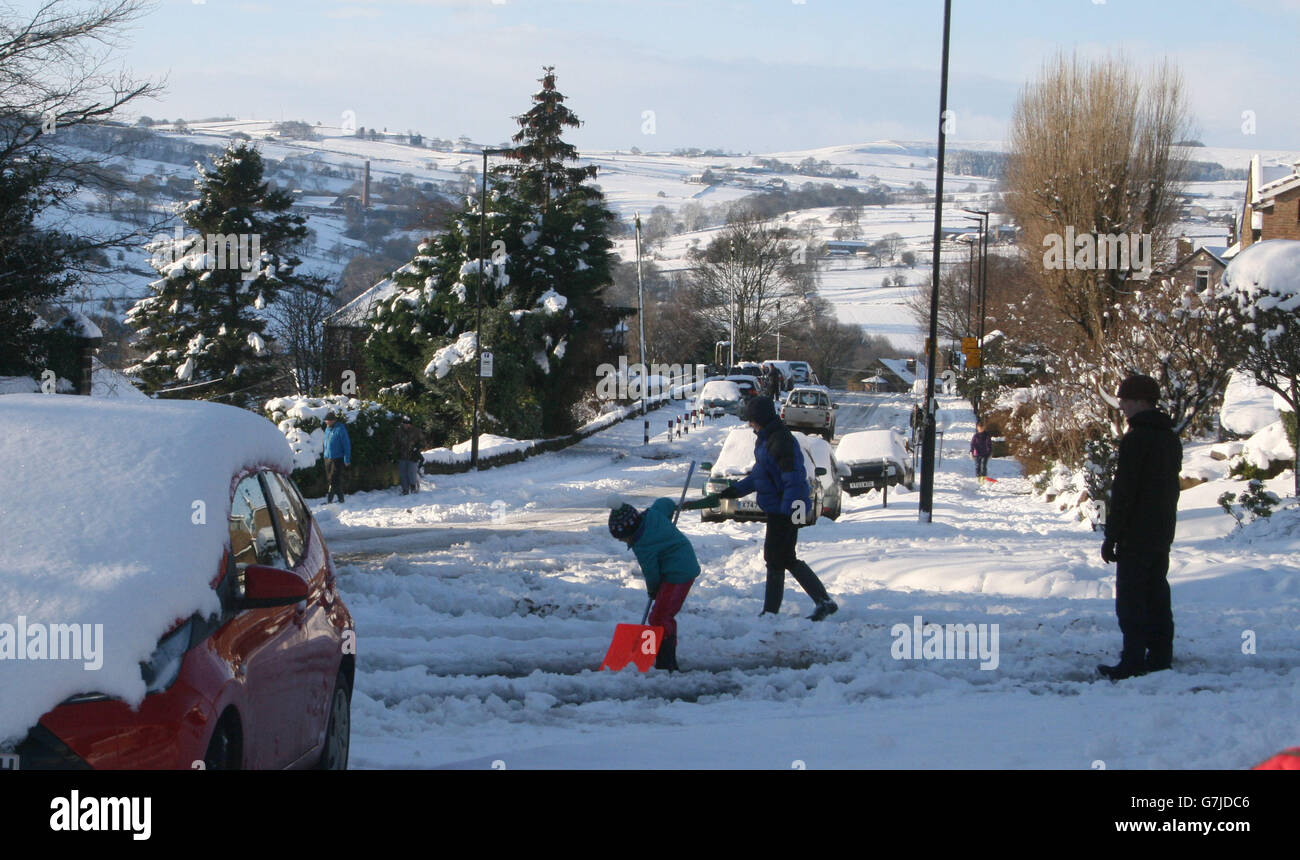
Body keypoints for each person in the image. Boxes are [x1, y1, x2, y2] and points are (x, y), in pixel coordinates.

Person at [690, 395, 837, 620]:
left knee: (777, 557)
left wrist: (789, 513)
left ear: (761, 418)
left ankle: (773, 611)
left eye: (751, 420)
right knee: (784, 558)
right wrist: (735, 491)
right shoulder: (767, 438)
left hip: (786, 508)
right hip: (781, 508)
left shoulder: (780, 441)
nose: (750, 424)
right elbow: (761, 474)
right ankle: (819, 602)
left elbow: (794, 479)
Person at [1098, 374, 1182, 681]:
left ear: (1139, 402)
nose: (1121, 406)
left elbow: (1125, 491)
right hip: (1161, 529)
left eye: (1125, 401)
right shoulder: (1169, 438)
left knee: (1132, 599)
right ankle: (1160, 655)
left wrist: (1112, 535)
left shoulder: (1136, 439)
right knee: (1157, 594)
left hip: (1136, 531)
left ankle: (1132, 659)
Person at [608, 498, 701, 671]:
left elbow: (650, 571)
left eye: (623, 538)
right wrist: (671, 507)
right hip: (679, 564)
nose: (623, 542)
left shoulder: (642, 544)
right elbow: (664, 502)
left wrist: (653, 590)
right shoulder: (652, 515)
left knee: (660, 617)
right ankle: (661, 656)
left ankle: (666, 661)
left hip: (678, 573)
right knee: (661, 615)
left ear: (630, 531)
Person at [322, 411, 352, 504]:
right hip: (327, 458)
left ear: (333, 420)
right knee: (332, 479)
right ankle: (341, 499)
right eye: (326, 421)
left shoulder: (340, 429)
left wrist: (347, 458)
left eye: (328, 421)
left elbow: (346, 444)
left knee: (333, 478)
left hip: (337, 458)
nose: (327, 422)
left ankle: (329, 500)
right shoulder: (327, 429)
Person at [392, 416, 423, 495]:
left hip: (413, 456)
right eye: (405, 423)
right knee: (403, 474)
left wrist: (417, 448)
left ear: (411, 424)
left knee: (411, 473)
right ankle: (405, 489)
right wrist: (392, 452)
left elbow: (422, 442)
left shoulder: (416, 431)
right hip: (402, 455)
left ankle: (413, 487)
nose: (406, 425)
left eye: (408, 423)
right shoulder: (398, 431)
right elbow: (394, 442)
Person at [970, 420, 993, 485]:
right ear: (977, 428)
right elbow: (972, 444)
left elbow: (989, 444)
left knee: (983, 465)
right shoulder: (976, 436)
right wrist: (971, 452)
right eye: (979, 428)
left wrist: (990, 452)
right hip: (977, 453)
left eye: (982, 428)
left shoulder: (986, 435)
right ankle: (979, 477)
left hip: (985, 453)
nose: (980, 429)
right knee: (978, 465)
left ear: (984, 427)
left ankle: (983, 477)